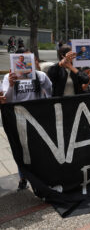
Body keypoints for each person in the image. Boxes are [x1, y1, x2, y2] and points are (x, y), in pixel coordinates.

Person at [2, 51, 52, 191]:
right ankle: (23, 178)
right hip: (17, 118)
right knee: (21, 150)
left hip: (36, 118)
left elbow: (50, 90)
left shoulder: (40, 76)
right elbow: (7, 100)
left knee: (39, 148)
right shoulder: (8, 77)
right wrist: (12, 85)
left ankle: (41, 177)